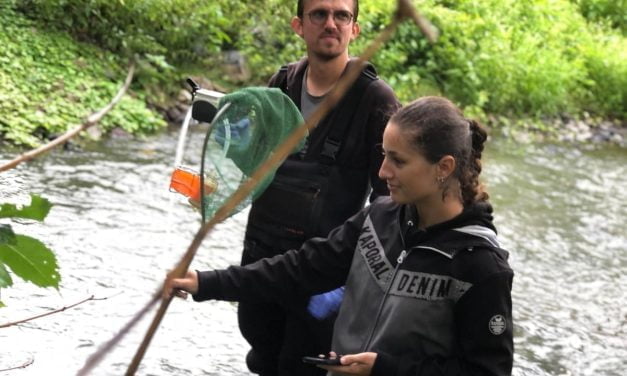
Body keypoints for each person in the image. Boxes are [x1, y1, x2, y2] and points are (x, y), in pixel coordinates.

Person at [166, 96, 515, 376]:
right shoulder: (378, 218)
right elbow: (300, 268)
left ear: (444, 168)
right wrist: (205, 283)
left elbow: (486, 370)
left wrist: (384, 368)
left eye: (398, 161)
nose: (382, 172)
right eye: (382, 155)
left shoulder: (480, 266)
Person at [236, 0, 399, 374]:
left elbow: (391, 199)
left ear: (354, 29)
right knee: (261, 355)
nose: (331, 23)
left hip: (321, 273)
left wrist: (355, 280)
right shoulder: (281, 83)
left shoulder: (375, 100)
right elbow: (254, 167)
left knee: (301, 365)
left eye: (342, 15)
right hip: (261, 256)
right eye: (319, 14)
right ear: (299, 25)